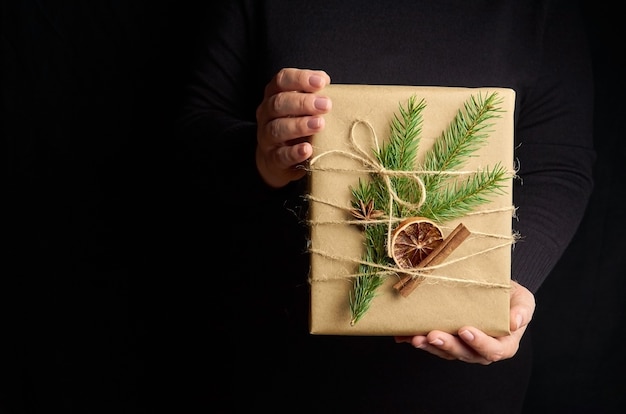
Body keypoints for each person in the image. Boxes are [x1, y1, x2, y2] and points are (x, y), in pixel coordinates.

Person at [174, 1, 594, 412]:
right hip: (268, 360)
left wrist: (502, 287)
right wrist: (261, 153)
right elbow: (194, 127)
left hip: (460, 387)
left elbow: (560, 164)